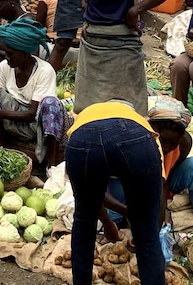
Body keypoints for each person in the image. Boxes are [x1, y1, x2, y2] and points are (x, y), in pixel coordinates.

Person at [64, 97, 166, 285]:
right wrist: (147, 224)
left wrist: (108, 223)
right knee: (146, 233)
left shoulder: (85, 116)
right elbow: (157, 196)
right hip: (135, 143)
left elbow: (91, 199)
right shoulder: (143, 128)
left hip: (81, 139)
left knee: (84, 221)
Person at [108, 97, 193, 236]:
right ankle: (115, 222)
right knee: (118, 184)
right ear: (150, 129)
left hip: (156, 181)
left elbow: (164, 182)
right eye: (162, 140)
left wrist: (156, 227)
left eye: (172, 143)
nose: (166, 147)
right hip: (128, 183)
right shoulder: (132, 143)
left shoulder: (184, 143)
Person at [0, 19, 66, 169]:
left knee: (52, 104)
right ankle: (2, 149)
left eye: (10, 53)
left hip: (35, 126)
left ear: (25, 53)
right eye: (6, 52)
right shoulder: (5, 66)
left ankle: (53, 165)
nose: (6, 57)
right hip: (11, 122)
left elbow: (31, 114)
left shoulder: (45, 70)